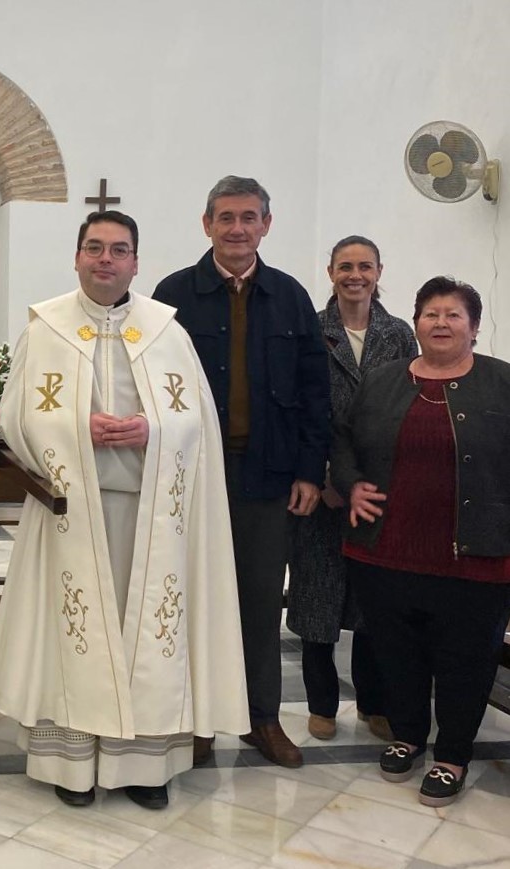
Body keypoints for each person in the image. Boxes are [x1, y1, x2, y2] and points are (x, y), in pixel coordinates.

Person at [0, 211, 248, 810]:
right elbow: (15, 415)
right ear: (77, 257)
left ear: (135, 262)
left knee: (145, 634)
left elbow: (197, 422)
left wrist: (151, 428)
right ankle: (71, 766)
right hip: (71, 511)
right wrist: (78, 428)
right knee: (74, 630)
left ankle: (144, 768)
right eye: (95, 248)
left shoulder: (165, 331)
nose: (106, 259)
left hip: (151, 513)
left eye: (119, 250)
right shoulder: (45, 325)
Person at [152, 176, 331, 769]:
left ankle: (261, 719)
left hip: (268, 474)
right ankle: (200, 722)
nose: (237, 228)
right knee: (197, 597)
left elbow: (314, 393)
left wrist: (310, 470)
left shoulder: (292, 298)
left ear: (265, 225)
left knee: (258, 601)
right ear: (206, 224)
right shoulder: (172, 294)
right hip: (193, 476)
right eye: (226, 217)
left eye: (248, 217)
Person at [331, 276, 510, 807]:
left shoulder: (501, 383)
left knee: (466, 660)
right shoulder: (383, 381)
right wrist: (350, 483)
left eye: (453, 315)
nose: (440, 323)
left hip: (475, 556)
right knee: (396, 651)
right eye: (431, 314)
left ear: (474, 328)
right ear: (415, 323)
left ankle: (452, 755)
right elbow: (342, 437)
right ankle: (407, 735)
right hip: (385, 551)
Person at [287, 236, 416, 742]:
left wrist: (364, 480)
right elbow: (297, 408)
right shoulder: (310, 332)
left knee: (372, 603)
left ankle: (373, 702)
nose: (355, 275)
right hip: (320, 488)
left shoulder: (399, 335)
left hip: (375, 489)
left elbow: (406, 412)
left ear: (380, 271)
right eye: (345, 266)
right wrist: (324, 475)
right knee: (317, 599)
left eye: (365, 266)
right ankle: (321, 705)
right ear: (331, 272)